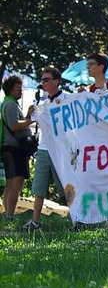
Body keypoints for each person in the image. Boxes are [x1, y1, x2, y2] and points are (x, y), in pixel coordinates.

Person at [22, 67, 69, 230]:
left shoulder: (67, 99)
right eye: (42, 80)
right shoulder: (42, 104)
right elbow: (30, 122)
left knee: (66, 187)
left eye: (46, 79)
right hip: (43, 148)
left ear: (56, 81)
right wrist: (29, 115)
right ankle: (35, 221)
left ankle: (75, 219)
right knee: (39, 186)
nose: (43, 83)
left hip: (61, 149)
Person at [0, 76, 36, 220]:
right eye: (18, 88)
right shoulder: (10, 105)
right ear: (10, 89)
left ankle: (7, 213)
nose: (21, 91)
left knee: (10, 183)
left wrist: (26, 116)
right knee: (16, 183)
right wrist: (30, 120)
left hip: (9, 147)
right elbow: (14, 126)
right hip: (14, 148)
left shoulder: (9, 103)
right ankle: (9, 214)